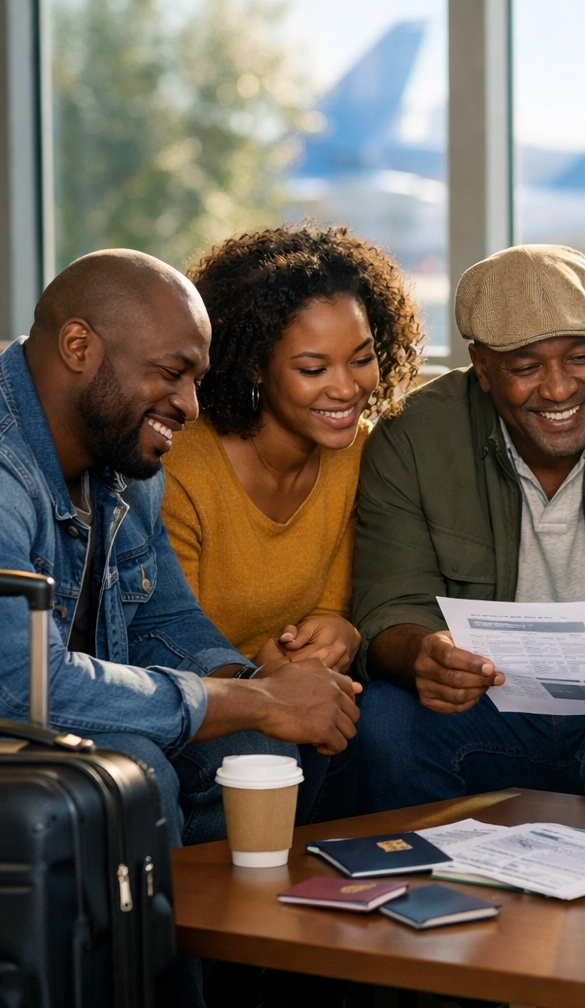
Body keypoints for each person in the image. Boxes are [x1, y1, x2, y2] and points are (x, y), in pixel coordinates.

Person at [0, 249, 361, 846]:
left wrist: (268, 685)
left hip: (50, 723)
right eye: (171, 373)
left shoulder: (119, 455)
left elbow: (166, 623)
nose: (189, 406)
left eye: (196, 381)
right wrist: (258, 698)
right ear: (79, 347)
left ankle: (222, 939)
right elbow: (15, 691)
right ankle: (147, 939)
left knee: (265, 746)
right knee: (129, 772)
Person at [351, 244, 585, 812]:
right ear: (481, 367)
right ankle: (437, 894)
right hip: (486, 705)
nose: (557, 390)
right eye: (526, 368)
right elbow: (389, 607)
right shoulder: (412, 438)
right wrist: (425, 654)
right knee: (383, 721)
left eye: (579, 358)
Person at [160, 225, 423, 821]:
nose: (346, 388)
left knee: (377, 722)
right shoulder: (182, 465)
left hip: (308, 705)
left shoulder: (361, 456)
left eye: (361, 359)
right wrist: (264, 678)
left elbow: (339, 607)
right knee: (272, 741)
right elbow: (167, 638)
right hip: (207, 708)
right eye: (312, 368)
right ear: (255, 365)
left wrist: (343, 632)